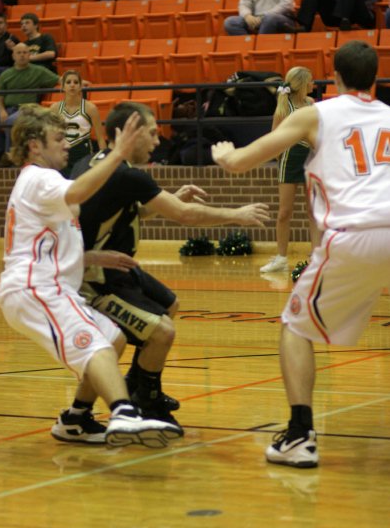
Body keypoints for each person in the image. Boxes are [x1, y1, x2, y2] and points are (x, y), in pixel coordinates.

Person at [212, 40, 390, 468]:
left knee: (295, 325)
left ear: (336, 76)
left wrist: (225, 155)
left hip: (355, 234)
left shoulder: (317, 113)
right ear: (376, 77)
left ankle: (299, 435)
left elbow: (244, 161)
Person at [70, 101, 270, 429]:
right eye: (151, 133)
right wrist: (237, 214)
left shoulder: (96, 163)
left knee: (169, 304)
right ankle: (146, 403)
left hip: (115, 268)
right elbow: (184, 215)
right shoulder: (124, 174)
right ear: (126, 135)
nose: (158, 141)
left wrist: (174, 196)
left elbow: (127, 209)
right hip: (91, 277)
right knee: (162, 333)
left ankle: (138, 383)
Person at [0, 104, 182, 448]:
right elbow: (79, 192)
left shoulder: (39, 182)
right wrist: (119, 154)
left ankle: (77, 418)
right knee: (97, 345)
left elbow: (45, 242)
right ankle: (124, 412)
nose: (67, 144)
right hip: (38, 289)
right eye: (58, 138)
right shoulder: (41, 178)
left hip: (43, 285)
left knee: (112, 338)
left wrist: (93, 257)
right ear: (35, 146)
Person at [260, 67, 320, 274]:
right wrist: (282, 157)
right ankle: (281, 258)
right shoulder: (283, 109)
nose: (314, 85)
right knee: (284, 212)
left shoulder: (312, 105)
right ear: (303, 84)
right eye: (311, 81)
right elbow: (273, 139)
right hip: (290, 160)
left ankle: (316, 256)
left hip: (310, 160)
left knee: (313, 211)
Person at [0, 43, 59, 164]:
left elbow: (59, 79)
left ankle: (9, 157)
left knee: (11, 121)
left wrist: (78, 81)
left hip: (27, 109)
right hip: (7, 108)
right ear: (13, 56)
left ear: (29, 55)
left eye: (25, 52)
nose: (22, 55)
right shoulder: (6, 75)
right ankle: (7, 154)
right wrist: (2, 111)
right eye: (19, 53)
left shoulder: (39, 71)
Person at [50, 70, 106, 177]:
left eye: (76, 82)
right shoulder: (55, 108)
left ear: (80, 86)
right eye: (68, 82)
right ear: (62, 86)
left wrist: (103, 160)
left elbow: (100, 138)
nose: (72, 85)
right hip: (62, 151)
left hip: (83, 151)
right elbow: (51, 136)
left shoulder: (90, 108)